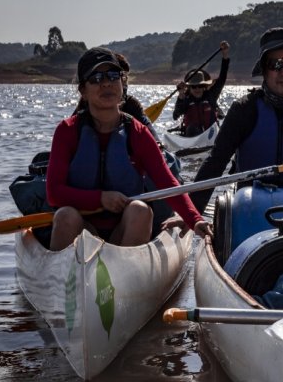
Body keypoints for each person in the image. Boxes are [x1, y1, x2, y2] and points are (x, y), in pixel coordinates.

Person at [46, 46, 211, 251]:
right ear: (83, 91)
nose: (106, 82)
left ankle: (124, 276)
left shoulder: (138, 132)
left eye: (113, 75)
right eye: (96, 77)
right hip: (82, 231)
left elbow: (167, 182)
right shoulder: (67, 131)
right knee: (65, 215)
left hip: (123, 232)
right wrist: (101, 199)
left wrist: (194, 219)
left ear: (122, 83)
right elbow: (54, 193)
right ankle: (62, 276)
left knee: (141, 211)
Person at [189, 27, 283, 213]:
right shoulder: (244, 109)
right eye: (275, 64)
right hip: (250, 206)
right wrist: (190, 214)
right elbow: (215, 163)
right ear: (264, 69)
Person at [172, 41, 230, 137]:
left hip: (212, 135)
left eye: (200, 86)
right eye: (194, 86)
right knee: (192, 129)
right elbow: (175, 116)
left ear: (204, 86)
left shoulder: (211, 95)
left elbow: (222, 78)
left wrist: (225, 55)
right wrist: (181, 96)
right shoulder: (186, 99)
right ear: (189, 88)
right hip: (192, 138)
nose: (197, 89)